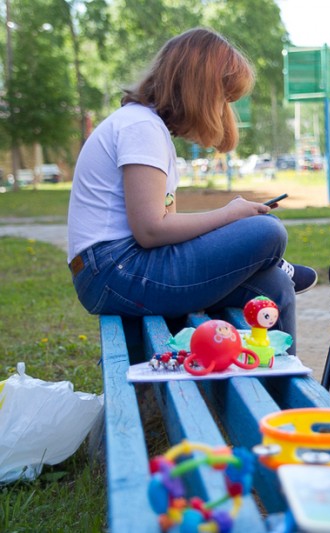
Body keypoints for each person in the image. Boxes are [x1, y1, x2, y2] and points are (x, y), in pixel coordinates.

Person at [66, 28, 316, 354]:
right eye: (223, 98)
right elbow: (151, 230)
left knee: (274, 285)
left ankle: (282, 381)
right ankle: (274, 259)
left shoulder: (147, 127)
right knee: (268, 230)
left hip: (122, 269)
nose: (225, 110)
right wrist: (228, 216)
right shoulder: (141, 127)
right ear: (201, 90)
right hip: (115, 271)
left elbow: (162, 230)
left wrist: (230, 223)